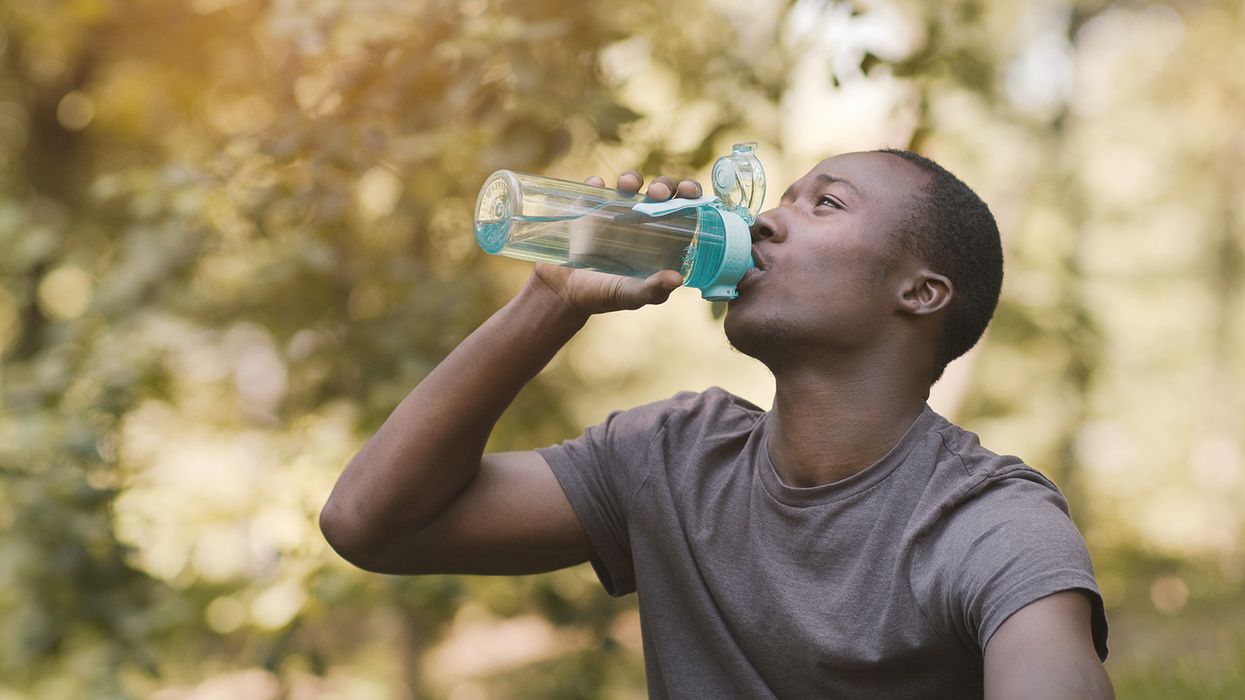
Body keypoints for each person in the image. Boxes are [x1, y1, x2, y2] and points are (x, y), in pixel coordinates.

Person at [319, 149, 1113, 699]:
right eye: (782, 197)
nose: (767, 220)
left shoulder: (986, 519)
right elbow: (369, 524)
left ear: (920, 293)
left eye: (824, 203)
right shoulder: (673, 456)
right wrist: (550, 302)